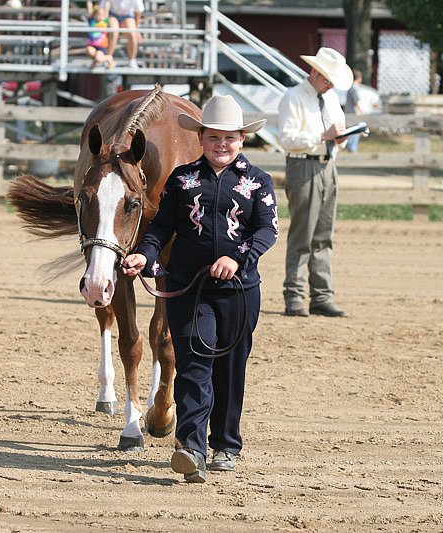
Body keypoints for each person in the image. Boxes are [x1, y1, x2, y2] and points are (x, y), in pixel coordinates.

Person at [121, 95, 278, 483]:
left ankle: (225, 443)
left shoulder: (258, 182)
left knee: (230, 368)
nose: (221, 145)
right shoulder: (182, 179)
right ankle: (191, 447)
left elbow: (266, 230)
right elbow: (161, 228)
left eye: (229, 138)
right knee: (193, 364)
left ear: (242, 139)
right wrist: (145, 254)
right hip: (189, 288)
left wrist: (238, 258)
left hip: (240, 290)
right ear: (201, 139)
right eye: (213, 138)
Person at [278, 47, 352, 318]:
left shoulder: (330, 99)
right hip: (303, 165)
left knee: (323, 234)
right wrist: (323, 136)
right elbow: (287, 139)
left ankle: (322, 295)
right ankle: (294, 295)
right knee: (303, 234)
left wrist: (338, 139)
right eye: (328, 78)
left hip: (327, 165)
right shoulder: (293, 97)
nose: (331, 84)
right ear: (315, 72)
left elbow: (335, 131)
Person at [105, 0, 144, 69]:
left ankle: (132, 60)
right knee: (113, 32)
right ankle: (108, 58)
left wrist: (137, 31)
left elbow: (138, 12)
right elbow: (105, 7)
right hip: (113, 15)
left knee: (132, 34)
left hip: (128, 16)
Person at [85, 4, 114, 69]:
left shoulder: (105, 21)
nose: (99, 16)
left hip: (102, 46)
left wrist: (107, 3)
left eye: (101, 14)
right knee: (89, 50)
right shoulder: (91, 21)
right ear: (94, 15)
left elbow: (106, 9)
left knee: (98, 58)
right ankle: (95, 62)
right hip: (92, 45)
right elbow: (89, 9)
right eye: (98, 14)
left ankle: (109, 57)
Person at [344, 68, 365, 153]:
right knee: (355, 132)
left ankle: (350, 147)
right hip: (353, 113)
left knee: (351, 131)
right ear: (359, 78)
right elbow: (356, 102)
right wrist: (361, 111)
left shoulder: (350, 88)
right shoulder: (354, 88)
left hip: (348, 112)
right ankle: (351, 148)